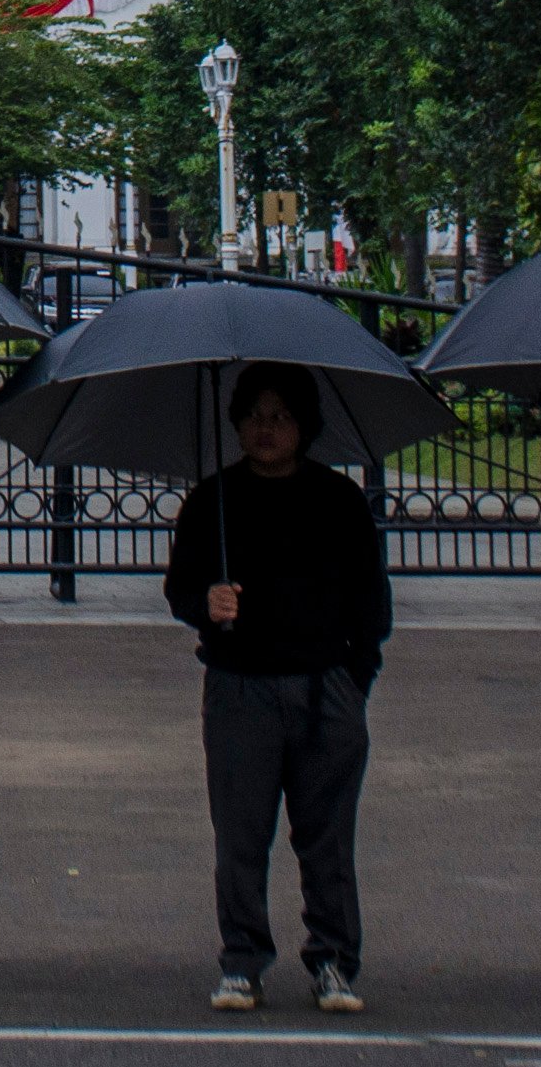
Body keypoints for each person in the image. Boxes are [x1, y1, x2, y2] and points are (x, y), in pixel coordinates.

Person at [163, 361, 388, 1017]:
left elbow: (371, 602)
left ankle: (334, 960)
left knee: (326, 838)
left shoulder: (339, 500)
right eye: (254, 415)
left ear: (304, 425)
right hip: (240, 690)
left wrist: (354, 678)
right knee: (240, 835)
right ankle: (242, 960)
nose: (265, 428)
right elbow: (180, 590)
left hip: (325, 688)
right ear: (235, 422)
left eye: (280, 415)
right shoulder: (213, 501)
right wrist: (209, 602)